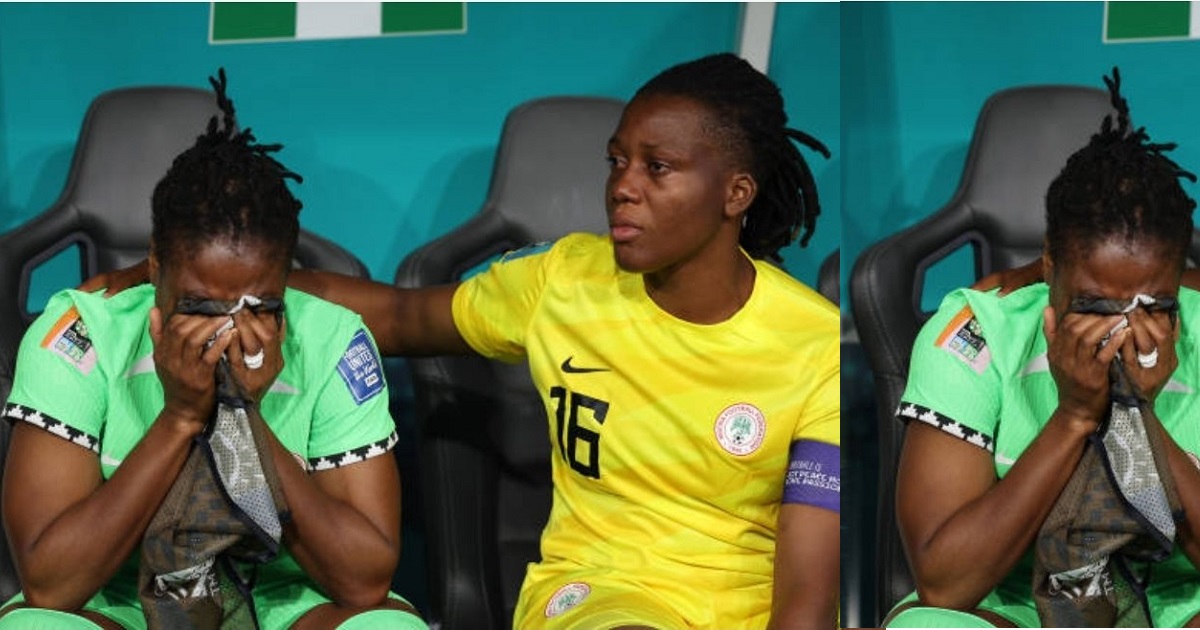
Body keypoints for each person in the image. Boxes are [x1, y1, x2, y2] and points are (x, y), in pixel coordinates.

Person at [87, 53, 841, 629]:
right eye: (617, 161)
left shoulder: (812, 344)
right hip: (598, 595)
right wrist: (186, 281)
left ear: (735, 193)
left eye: (658, 168)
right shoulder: (564, 280)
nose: (623, 185)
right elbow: (400, 317)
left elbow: (807, 590)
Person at [0, 71, 426, 630]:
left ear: (286, 281)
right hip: (124, 601)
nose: (228, 332)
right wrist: (179, 418)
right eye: (199, 307)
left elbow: (364, 581)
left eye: (261, 307)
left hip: (282, 604)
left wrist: (245, 421)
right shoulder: (83, 335)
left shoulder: (334, 341)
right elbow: (51, 584)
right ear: (155, 268)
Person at [887, 68, 1200, 628]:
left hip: (1176, 608)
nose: (1122, 331)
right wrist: (1075, 416)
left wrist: (1139, 416)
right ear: (1048, 266)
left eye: (1154, 306)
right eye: (1094, 306)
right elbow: (944, 584)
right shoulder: (976, 334)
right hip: (1020, 608)